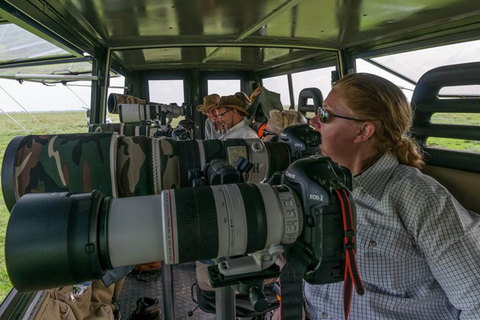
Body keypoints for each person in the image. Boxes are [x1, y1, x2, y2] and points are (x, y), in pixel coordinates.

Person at [305, 73, 480, 319]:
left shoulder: (420, 199)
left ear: (363, 131)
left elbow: (476, 300)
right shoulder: (314, 182)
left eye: (325, 114)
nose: (313, 122)